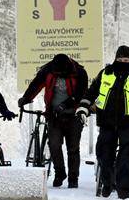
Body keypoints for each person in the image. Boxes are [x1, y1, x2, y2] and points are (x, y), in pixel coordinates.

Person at [76, 45, 129, 199]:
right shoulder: (105, 73)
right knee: (104, 156)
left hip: (128, 124)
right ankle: (107, 183)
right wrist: (83, 107)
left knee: (126, 160)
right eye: (120, 59)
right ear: (115, 59)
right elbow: (91, 91)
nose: (122, 62)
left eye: (126, 59)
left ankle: (124, 192)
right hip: (107, 122)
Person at [18, 53, 88, 188]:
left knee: (73, 148)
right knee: (54, 145)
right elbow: (36, 85)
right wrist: (25, 98)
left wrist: (66, 104)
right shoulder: (47, 70)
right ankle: (60, 172)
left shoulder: (79, 72)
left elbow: (80, 93)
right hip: (54, 115)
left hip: (74, 115)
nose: (59, 74)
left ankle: (73, 178)